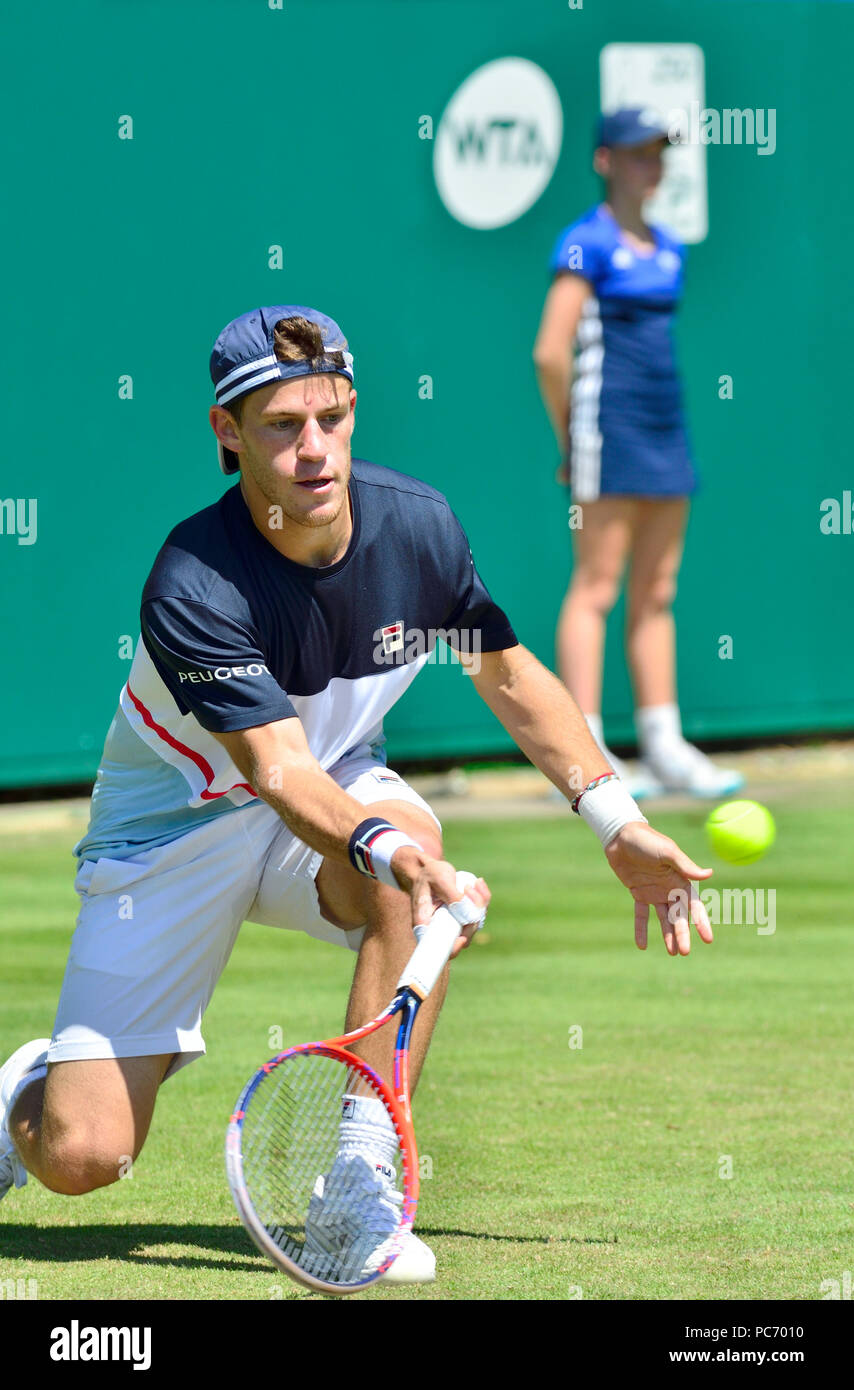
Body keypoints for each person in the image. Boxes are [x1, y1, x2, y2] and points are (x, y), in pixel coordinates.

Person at [0, 305, 713, 1285]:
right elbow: (277, 772)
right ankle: (19, 1101)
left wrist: (613, 819)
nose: (313, 450)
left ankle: (355, 1181)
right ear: (227, 433)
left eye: (330, 418)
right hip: (175, 826)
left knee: (414, 883)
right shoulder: (192, 581)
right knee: (83, 1156)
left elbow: (507, 676)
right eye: (281, 426)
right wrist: (385, 846)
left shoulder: (417, 529)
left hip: (334, 789)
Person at [534, 108, 744, 799]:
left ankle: (663, 741)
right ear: (605, 162)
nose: (650, 166)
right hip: (606, 429)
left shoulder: (671, 247)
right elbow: (549, 351)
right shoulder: (583, 244)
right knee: (596, 588)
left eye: (658, 154)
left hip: (665, 427)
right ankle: (586, 746)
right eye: (636, 154)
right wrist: (573, 440)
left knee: (657, 592)